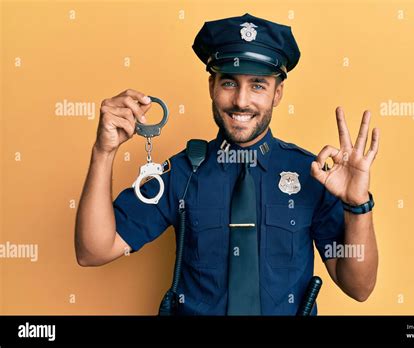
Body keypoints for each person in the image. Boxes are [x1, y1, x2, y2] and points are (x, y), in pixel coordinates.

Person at [75, 13, 379, 315]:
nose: (241, 101)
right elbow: (93, 250)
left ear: (278, 93)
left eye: (258, 85)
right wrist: (104, 151)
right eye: (230, 83)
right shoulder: (183, 172)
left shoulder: (311, 174)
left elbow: (359, 288)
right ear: (212, 86)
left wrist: (358, 206)